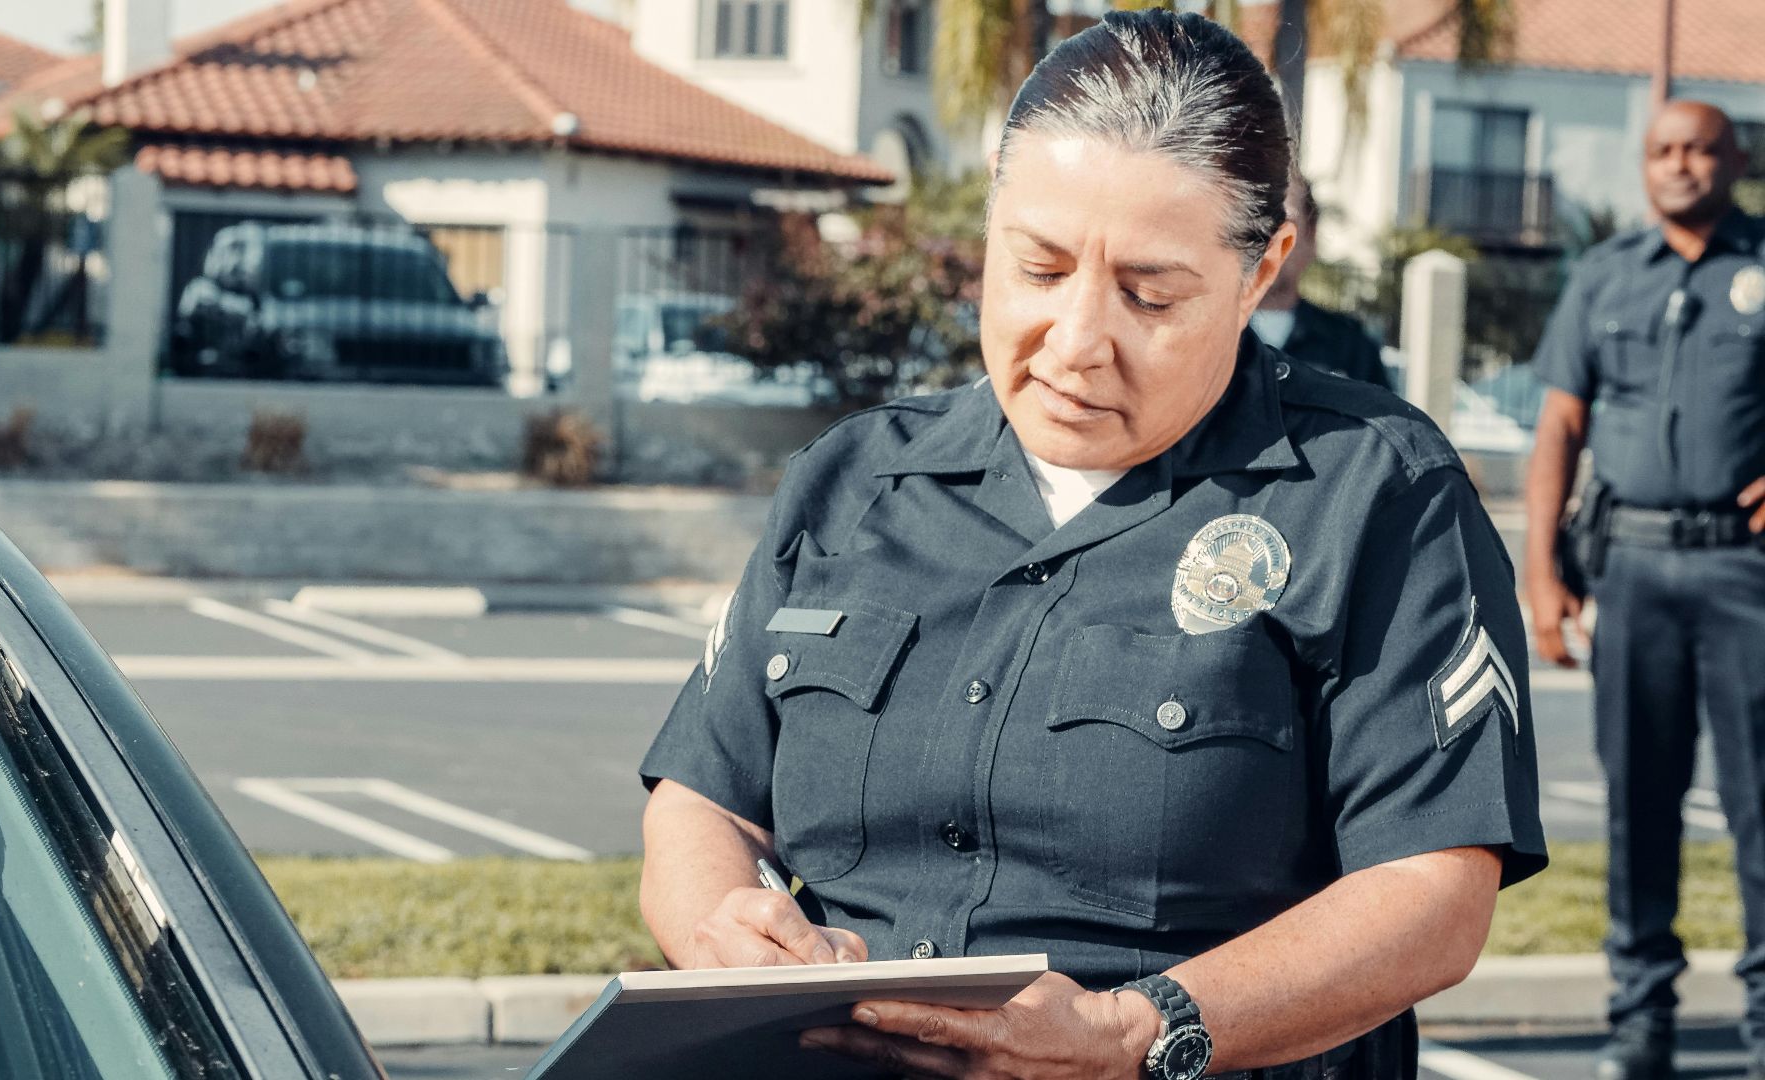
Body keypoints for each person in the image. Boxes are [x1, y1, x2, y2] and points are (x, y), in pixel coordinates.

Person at [640, 12, 1546, 1080]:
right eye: (1039, 266)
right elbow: (703, 796)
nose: (1077, 342)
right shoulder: (851, 482)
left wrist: (1137, 1031)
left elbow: (1434, 891)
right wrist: (724, 929)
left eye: (1148, 295)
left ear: (1263, 272)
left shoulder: (1375, 494)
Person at [1527, 99, 1765, 1080]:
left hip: (1745, 575)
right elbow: (1558, 429)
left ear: (1735, 158)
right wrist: (1539, 572)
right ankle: (1639, 1017)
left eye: (1700, 149)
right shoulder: (1605, 273)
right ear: (1644, 163)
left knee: (1759, 806)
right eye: (1663, 150)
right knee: (1639, 803)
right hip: (1631, 573)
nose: (1681, 165)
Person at [1249, 172, 1393, 389]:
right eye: (1257, 220)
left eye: (1283, 223)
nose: (1269, 239)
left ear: (1312, 237)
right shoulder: (1200, 338)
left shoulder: (1352, 348)